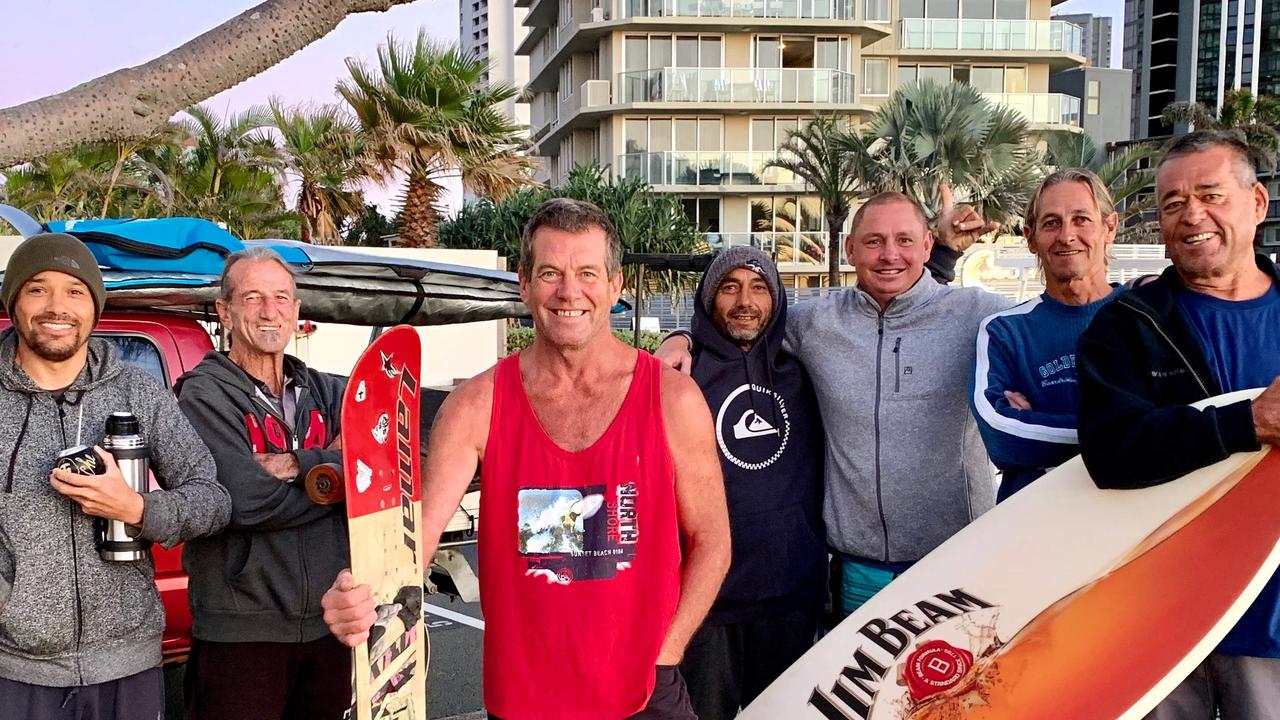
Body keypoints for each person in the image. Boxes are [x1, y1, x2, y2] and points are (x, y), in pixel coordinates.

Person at [322, 198, 731, 719]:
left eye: (587, 272)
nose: (569, 292)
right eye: (550, 273)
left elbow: (713, 541)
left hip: (644, 695)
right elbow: (411, 546)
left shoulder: (672, 401)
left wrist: (666, 655)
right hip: (525, 700)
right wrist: (358, 598)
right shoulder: (477, 406)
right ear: (523, 284)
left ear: (615, 286)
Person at [657, 190, 1011, 617]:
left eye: (904, 240)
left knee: (960, 682)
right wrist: (681, 338)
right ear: (849, 249)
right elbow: (745, 324)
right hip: (856, 568)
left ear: (927, 246)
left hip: (954, 558)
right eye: (874, 241)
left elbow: (1049, 332)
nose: (889, 255)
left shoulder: (978, 314)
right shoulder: (815, 323)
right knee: (861, 684)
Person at [1075, 130, 1280, 720]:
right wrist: (1247, 423)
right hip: (1161, 614)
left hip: (1271, 622)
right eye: (1172, 204)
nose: (1193, 215)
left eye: (1212, 194)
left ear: (1257, 204)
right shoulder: (1127, 325)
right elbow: (1111, 454)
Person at [0, 233, 230, 718]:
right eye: (38, 288)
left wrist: (138, 509)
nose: (56, 306)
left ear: (95, 308)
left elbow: (212, 500)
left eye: (75, 291)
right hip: (13, 670)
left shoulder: (138, 392)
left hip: (128, 663)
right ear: (14, 300)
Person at [176, 247, 351, 720]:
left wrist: (294, 463)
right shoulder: (203, 394)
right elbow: (242, 501)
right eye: (252, 297)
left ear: (296, 311)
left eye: (280, 297)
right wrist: (334, 469)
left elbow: (379, 469)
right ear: (225, 311)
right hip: (241, 631)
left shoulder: (329, 391)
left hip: (330, 623)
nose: (269, 310)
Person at [677, 246, 826, 719]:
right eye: (729, 287)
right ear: (708, 299)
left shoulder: (805, 371)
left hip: (791, 598)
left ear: (777, 299)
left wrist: (941, 256)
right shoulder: (678, 375)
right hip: (706, 605)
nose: (745, 300)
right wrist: (680, 339)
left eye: (759, 287)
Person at [971, 169, 1124, 502]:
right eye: (1051, 223)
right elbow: (1000, 435)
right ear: (1031, 238)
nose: (1067, 236)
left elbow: (1178, 424)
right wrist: (1128, 437)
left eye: (1081, 219)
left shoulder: (1148, 317)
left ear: (1109, 227)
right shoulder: (1004, 331)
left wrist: (1032, 423)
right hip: (1030, 533)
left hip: (1135, 531)